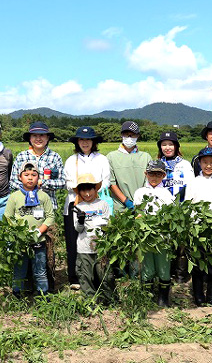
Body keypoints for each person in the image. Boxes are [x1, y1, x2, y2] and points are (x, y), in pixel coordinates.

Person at [63, 126, 110, 290]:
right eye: (81, 140)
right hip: (75, 204)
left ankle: (96, 276)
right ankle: (75, 277)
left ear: (93, 142)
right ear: (77, 142)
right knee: (74, 241)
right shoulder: (71, 160)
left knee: (95, 238)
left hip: (96, 204)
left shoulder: (102, 159)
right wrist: (82, 192)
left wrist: (91, 194)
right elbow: (68, 183)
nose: (85, 142)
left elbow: (106, 181)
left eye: (88, 139)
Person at [184, 148, 212, 306]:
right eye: (205, 162)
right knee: (197, 263)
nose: (208, 166)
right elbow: (188, 206)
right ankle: (198, 296)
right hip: (197, 229)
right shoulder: (193, 183)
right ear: (199, 163)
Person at [4, 161, 55, 296]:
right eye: (26, 175)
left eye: (34, 174)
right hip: (19, 242)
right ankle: (17, 294)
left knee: (40, 269)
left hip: (39, 240)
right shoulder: (14, 197)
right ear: (20, 177)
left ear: (39, 177)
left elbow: (50, 217)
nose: (30, 177)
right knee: (19, 268)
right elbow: (7, 217)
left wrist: (39, 230)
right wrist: (18, 232)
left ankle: (42, 295)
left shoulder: (43, 196)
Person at [134, 160, 175, 307]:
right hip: (146, 237)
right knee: (147, 267)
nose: (154, 177)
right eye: (151, 174)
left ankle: (163, 298)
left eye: (158, 174)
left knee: (163, 267)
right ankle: (147, 296)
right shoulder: (139, 193)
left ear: (163, 176)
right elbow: (138, 213)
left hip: (162, 237)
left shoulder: (166, 194)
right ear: (146, 174)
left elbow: (170, 215)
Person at [157, 131, 195, 283]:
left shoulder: (184, 164)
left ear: (176, 146)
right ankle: (168, 272)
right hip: (164, 210)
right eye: (164, 144)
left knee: (181, 244)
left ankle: (181, 275)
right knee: (166, 242)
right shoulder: (158, 165)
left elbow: (192, 186)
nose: (167, 147)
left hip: (182, 210)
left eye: (170, 144)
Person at [72, 173, 114, 305]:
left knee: (105, 275)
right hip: (84, 248)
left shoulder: (103, 205)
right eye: (83, 190)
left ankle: (109, 300)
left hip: (101, 247)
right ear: (79, 192)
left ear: (95, 190)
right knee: (85, 276)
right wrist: (80, 220)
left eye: (90, 189)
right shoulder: (78, 207)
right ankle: (89, 302)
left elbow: (108, 225)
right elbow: (78, 229)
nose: (87, 194)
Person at [10, 121, 65, 211]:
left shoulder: (55, 157)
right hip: (24, 208)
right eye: (35, 135)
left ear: (47, 138)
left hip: (48, 208)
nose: (38, 138)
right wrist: (30, 186)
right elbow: (12, 183)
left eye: (42, 135)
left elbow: (62, 182)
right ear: (30, 139)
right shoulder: (21, 156)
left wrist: (42, 183)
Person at [106, 121, 152, 213]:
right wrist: (126, 201)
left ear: (138, 136)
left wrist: (141, 202)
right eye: (127, 135)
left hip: (142, 206)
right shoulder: (111, 157)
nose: (129, 138)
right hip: (120, 207)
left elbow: (150, 182)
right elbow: (111, 183)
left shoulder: (146, 157)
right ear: (121, 135)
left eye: (133, 135)